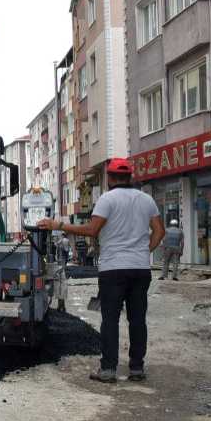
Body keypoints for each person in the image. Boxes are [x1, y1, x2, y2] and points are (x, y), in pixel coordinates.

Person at [38, 158, 165, 383]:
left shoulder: (107, 199)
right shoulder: (147, 200)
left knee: (110, 320)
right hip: (140, 269)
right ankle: (136, 368)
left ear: (110, 177)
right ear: (130, 177)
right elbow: (159, 231)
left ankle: (108, 369)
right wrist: (145, 251)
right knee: (137, 320)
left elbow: (92, 229)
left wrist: (58, 225)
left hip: (113, 269)